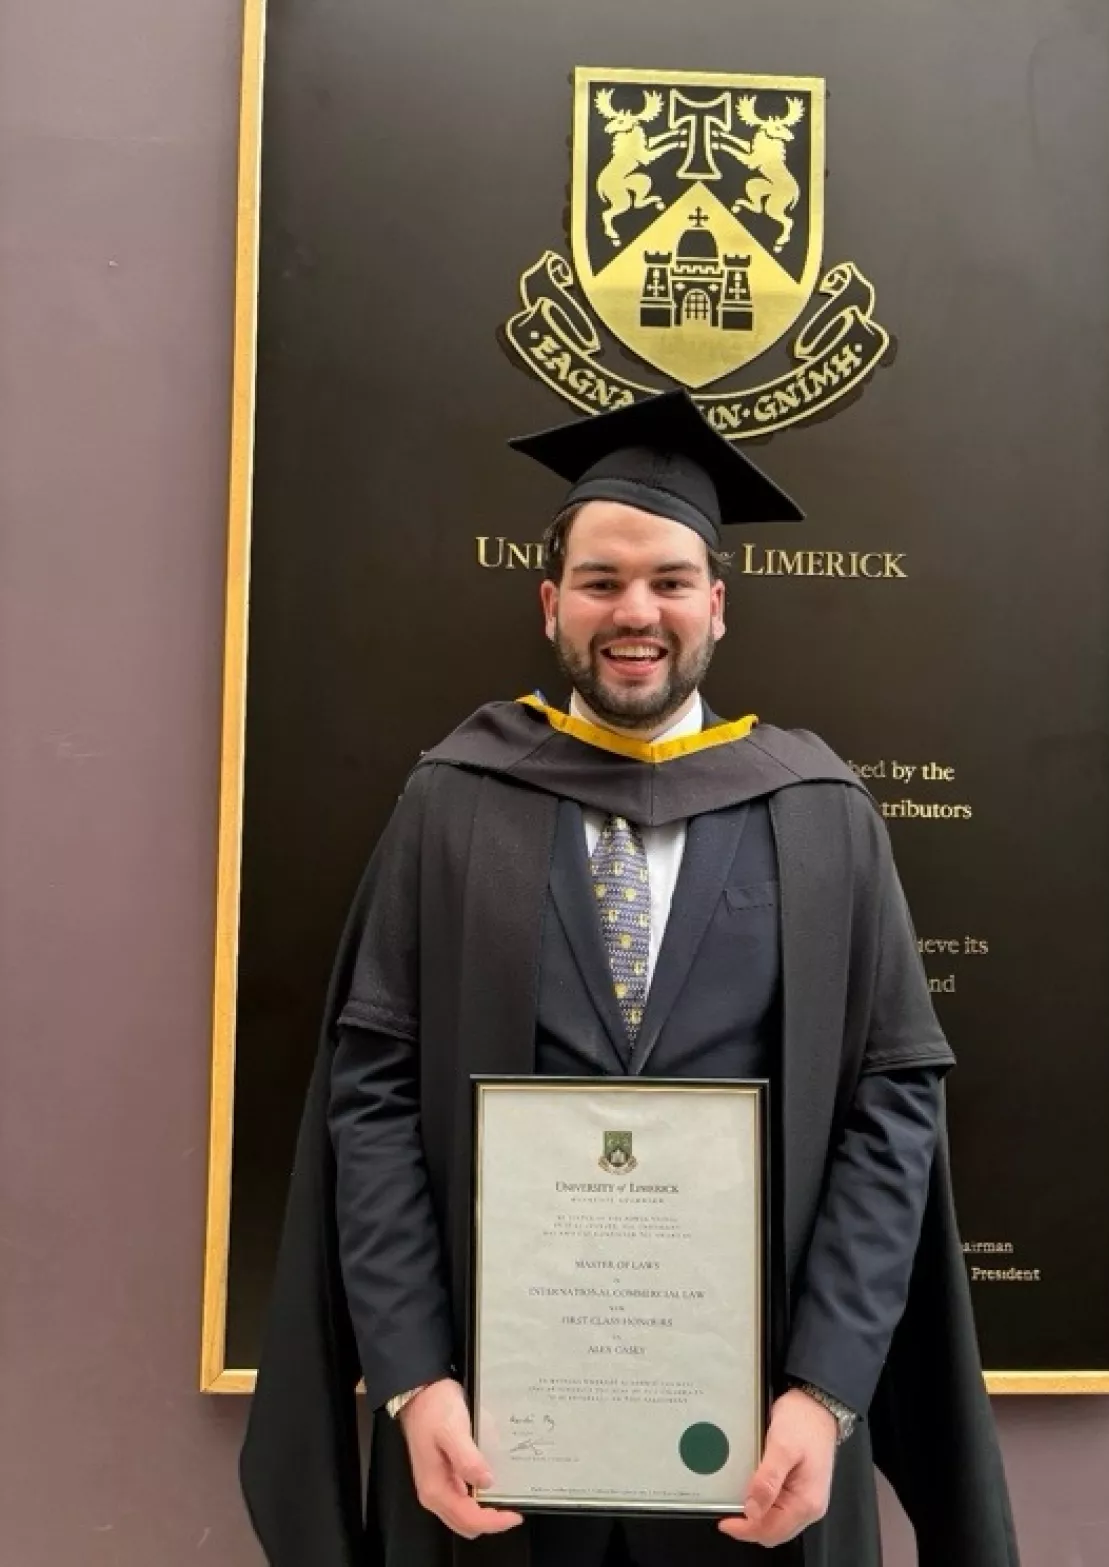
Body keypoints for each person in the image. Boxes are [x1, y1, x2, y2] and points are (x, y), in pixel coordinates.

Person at [240, 390, 1020, 1567]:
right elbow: (374, 1100)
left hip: (759, 1456)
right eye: (601, 581)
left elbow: (889, 1107)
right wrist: (412, 1382)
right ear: (551, 603)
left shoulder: (818, 817)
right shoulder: (453, 806)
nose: (634, 610)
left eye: (666, 578)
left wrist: (826, 1392)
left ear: (715, 603)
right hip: (498, 1451)